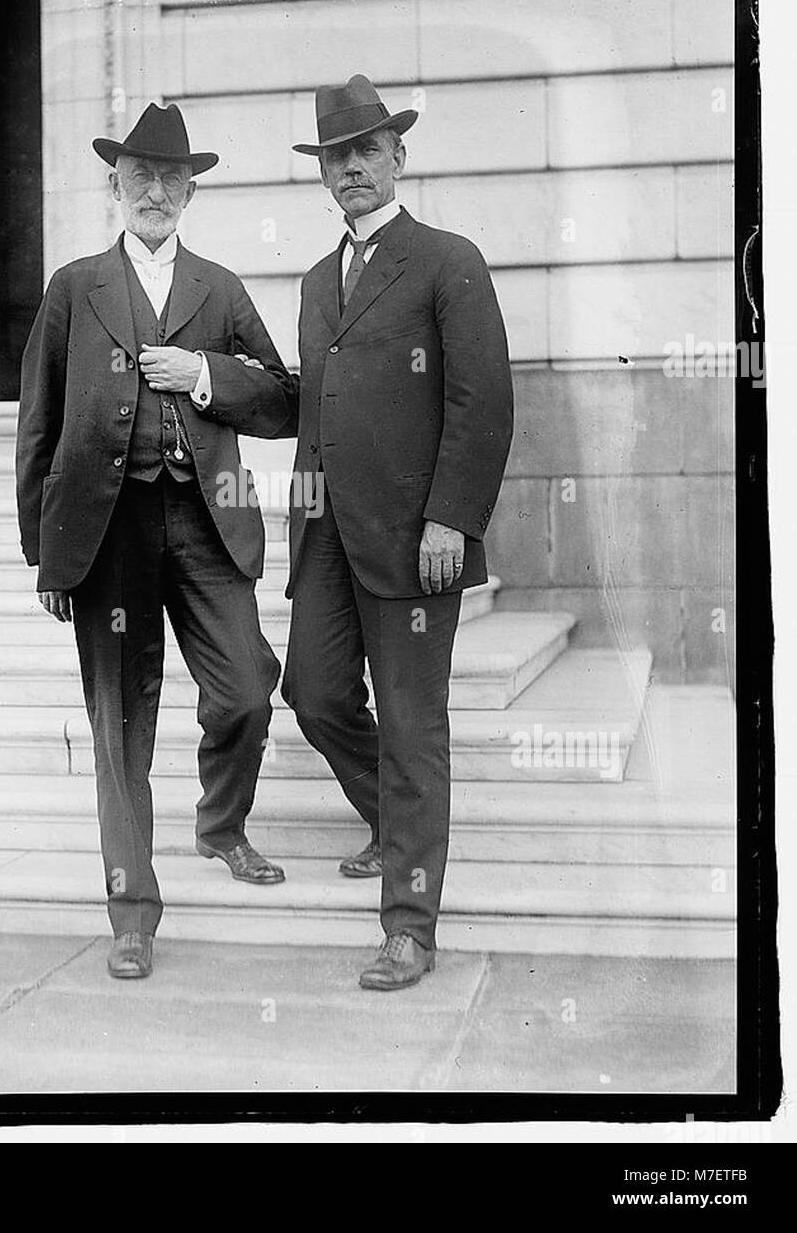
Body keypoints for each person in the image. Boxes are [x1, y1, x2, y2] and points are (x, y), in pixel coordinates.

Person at [16, 102, 299, 980]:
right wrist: (47, 553)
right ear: (114, 185)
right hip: (107, 534)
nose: (155, 191)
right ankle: (132, 909)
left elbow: (285, 399)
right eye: (139, 175)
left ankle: (220, 826)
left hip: (208, 520)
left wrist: (207, 376)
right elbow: (38, 424)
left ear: (191, 192)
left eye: (172, 178)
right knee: (120, 726)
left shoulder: (219, 287)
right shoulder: (75, 288)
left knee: (248, 689)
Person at [282, 75, 514, 990]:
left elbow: (482, 401)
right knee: (312, 693)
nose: (352, 170)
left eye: (366, 152)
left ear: (397, 158)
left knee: (414, 727)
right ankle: (393, 818)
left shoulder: (448, 260)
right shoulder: (313, 281)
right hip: (329, 539)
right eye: (336, 158)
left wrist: (452, 518)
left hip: (420, 539)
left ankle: (410, 928)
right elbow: (310, 410)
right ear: (324, 175)